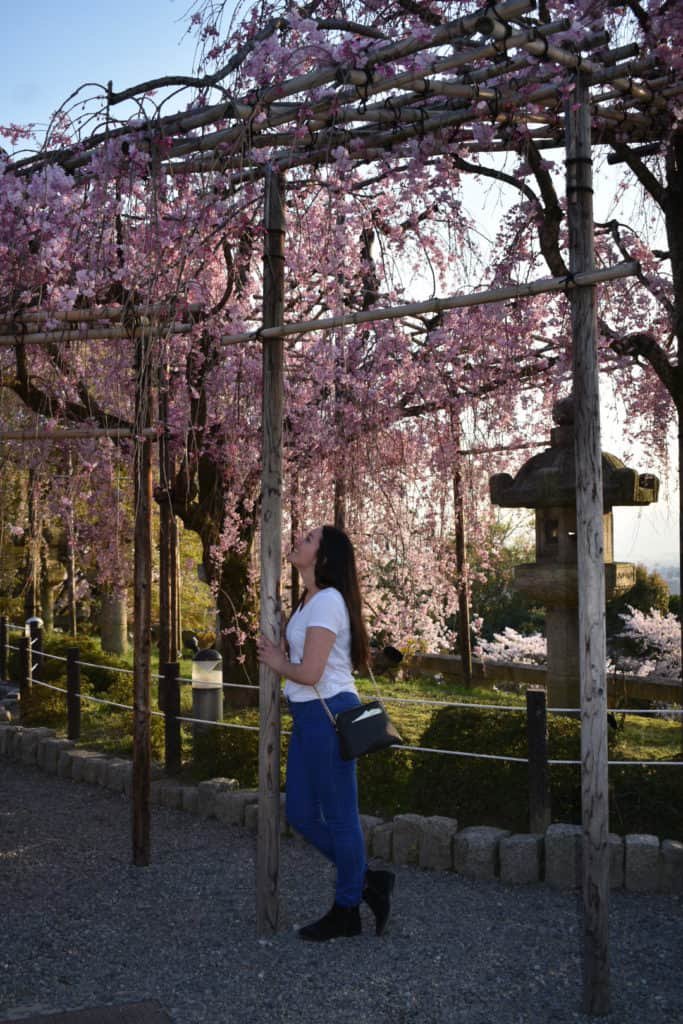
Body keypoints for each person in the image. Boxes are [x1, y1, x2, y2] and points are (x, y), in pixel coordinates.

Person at [256, 524, 395, 941]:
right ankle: (369, 881)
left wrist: (278, 663)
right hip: (309, 715)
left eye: (310, 538)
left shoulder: (328, 602)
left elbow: (311, 672)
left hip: (329, 714)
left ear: (324, 556)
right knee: (299, 812)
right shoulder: (308, 601)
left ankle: (347, 909)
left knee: (339, 817)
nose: (300, 538)